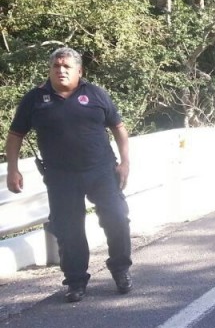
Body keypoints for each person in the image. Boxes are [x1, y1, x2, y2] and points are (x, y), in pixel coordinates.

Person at [5, 47, 134, 303]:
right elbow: (15, 135)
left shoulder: (95, 94)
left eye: (66, 67)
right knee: (69, 230)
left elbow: (118, 128)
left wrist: (125, 162)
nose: (61, 71)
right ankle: (75, 282)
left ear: (79, 71)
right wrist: (12, 168)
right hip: (61, 175)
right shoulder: (35, 99)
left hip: (101, 171)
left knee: (117, 218)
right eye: (56, 66)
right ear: (50, 70)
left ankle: (120, 269)